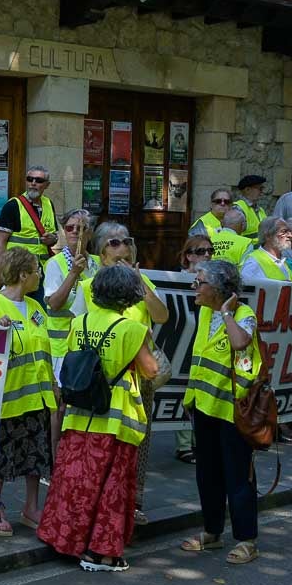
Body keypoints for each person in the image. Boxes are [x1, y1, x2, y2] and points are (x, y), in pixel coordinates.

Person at [38, 264, 160, 572]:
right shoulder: (132, 329)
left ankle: (64, 540)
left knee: (75, 482)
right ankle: (102, 553)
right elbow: (151, 370)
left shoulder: (79, 322)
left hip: (80, 416)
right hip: (115, 420)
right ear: (130, 295)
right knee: (112, 488)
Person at [73, 224, 169, 525]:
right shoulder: (88, 286)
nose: (122, 247)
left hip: (138, 376)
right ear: (101, 253)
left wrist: (141, 284)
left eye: (126, 241)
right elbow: (80, 326)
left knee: (138, 441)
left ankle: (131, 502)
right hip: (102, 378)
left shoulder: (140, 283)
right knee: (100, 444)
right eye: (114, 243)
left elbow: (162, 316)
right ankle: (98, 503)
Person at [179, 259, 262, 565]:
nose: (194, 288)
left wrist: (227, 312)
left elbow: (241, 344)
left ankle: (246, 539)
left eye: (199, 282)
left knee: (238, 476)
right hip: (203, 406)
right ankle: (212, 531)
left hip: (233, 410)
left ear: (218, 288)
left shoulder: (243, 314)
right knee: (208, 474)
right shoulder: (202, 313)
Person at [0, 248, 56, 537]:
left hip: (37, 398)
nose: (39, 274)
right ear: (23, 274)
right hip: (5, 401)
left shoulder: (36, 308)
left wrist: (54, 389)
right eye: (36, 269)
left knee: (36, 455)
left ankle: (31, 508)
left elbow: (45, 350)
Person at [172, 235, 214, 465]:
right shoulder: (176, 278)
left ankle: (199, 439)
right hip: (182, 340)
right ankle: (184, 444)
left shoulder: (212, 279)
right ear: (188, 256)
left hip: (204, 340)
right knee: (181, 390)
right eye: (200, 251)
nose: (206, 255)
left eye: (210, 250)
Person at [43, 208, 93, 374]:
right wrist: (73, 274)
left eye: (81, 228)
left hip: (89, 346)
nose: (74, 232)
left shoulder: (97, 264)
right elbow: (54, 304)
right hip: (62, 347)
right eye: (69, 228)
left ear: (89, 233)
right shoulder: (54, 264)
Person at [0, 165, 58, 267]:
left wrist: (53, 239)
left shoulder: (49, 204)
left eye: (39, 180)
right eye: (29, 179)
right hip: (18, 267)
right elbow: (0, 243)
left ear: (47, 185)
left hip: (43, 267)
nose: (33, 183)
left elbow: (54, 236)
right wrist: (3, 272)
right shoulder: (13, 205)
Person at [240, 218, 292, 283]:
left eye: (289, 231)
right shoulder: (253, 262)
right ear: (268, 236)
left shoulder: (282, 260)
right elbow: (246, 290)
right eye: (284, 231)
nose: (290, 235)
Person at [233, 175, 267, 240]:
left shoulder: (260, 210)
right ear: (247, 190)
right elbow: (234, 236)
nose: (262, 192)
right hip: (246, 249)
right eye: (260, 189)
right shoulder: (238, 208)